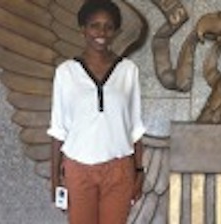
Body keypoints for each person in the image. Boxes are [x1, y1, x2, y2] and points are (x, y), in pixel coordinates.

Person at [47, 0, 146, 223]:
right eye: (95, 25)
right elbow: (58, 130)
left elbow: (135, 128)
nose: (101, 32)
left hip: (119, 170)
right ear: (83, 29)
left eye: (109, 26)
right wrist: (55, 179)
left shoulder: (128, 71)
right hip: (78, 169)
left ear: (116, 32)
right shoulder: (66, 73)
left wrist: (139, 172)